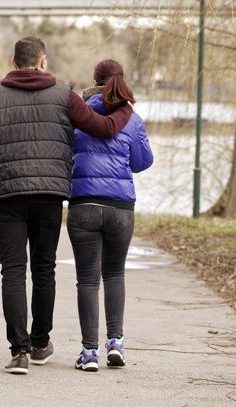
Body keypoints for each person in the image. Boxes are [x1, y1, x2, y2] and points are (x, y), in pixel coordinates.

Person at [0, 38, 134, 375]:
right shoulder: (63, 94)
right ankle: (41, 343)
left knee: (12, 270)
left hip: (6, 196)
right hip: (49, 194)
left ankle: (19, 352)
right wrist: (126, 107)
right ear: (43, 61)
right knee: (43, 269)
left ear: (14, 61)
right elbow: (101, 128)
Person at [67, 59, 154, 372]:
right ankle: (115, 343)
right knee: (114, 274)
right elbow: (142, 162)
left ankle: (89, 352)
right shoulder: (133, 118)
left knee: (87, 280)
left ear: (94, 81)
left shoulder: (77, 114)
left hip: (84, 206)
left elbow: (65, 155)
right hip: (120, 209)